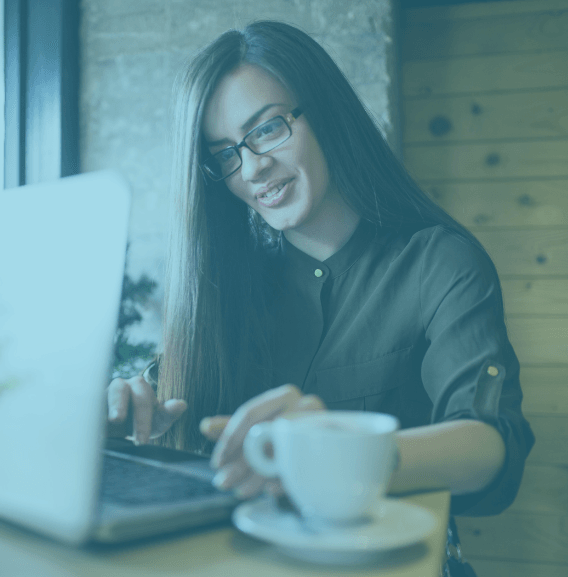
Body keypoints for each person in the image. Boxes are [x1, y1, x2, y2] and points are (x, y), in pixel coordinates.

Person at [107, 20, 534, 522]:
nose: (251, 170)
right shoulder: (226, 285)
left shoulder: (439, 263)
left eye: (266, 128)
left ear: (326, 113)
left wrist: (343, 452)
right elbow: (158, 391)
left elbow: (492, 445)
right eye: (225, 154)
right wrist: (127, 403)